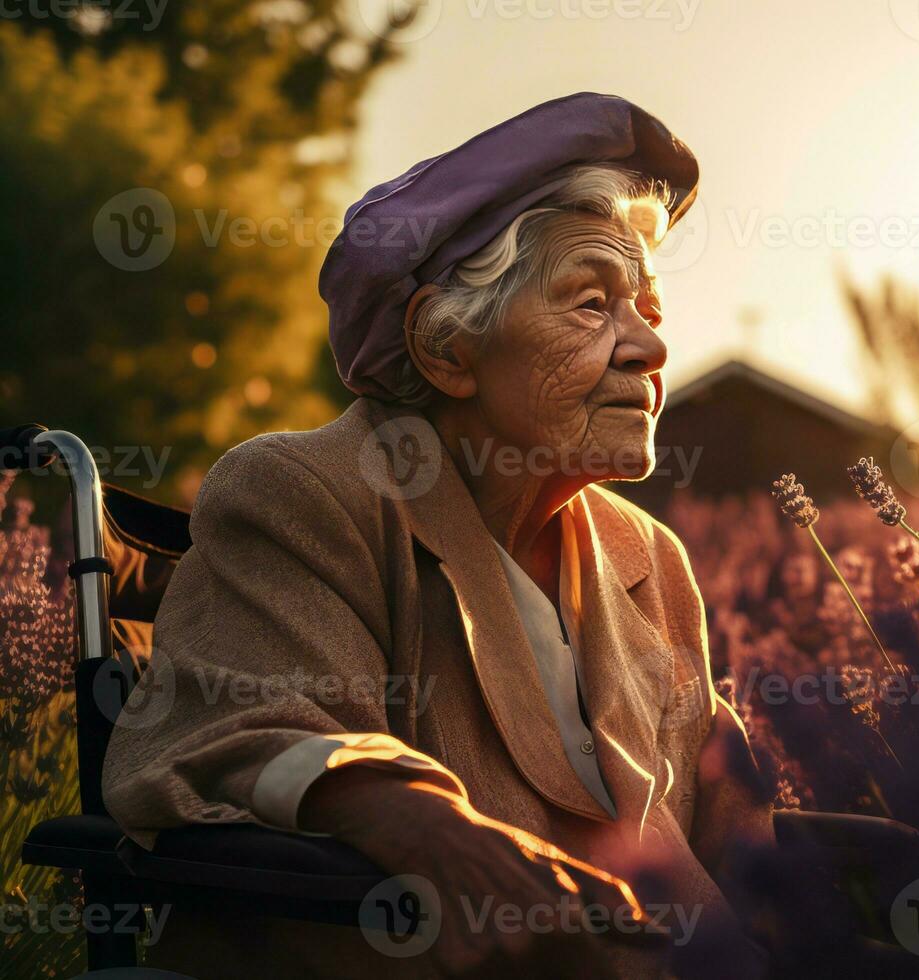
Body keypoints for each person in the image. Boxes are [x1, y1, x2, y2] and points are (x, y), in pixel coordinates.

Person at [101, 93, 773, 978]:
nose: (647, 346)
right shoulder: (307, 493)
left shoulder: (648, 557)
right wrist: (415, 817)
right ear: (446, 351)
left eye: (647, 306)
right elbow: (233, 727)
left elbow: (730, 821)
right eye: (589, 303)